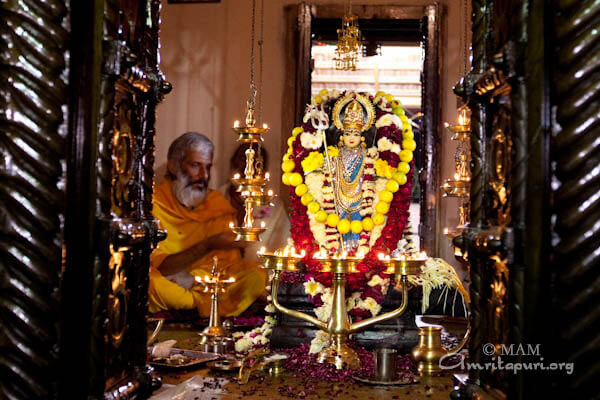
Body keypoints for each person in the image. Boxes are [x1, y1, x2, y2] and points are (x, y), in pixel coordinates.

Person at [148, 132, 267, 316]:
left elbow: (228, 266)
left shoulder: (215, 202)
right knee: (150, 282)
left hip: (200, 285)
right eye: (196, 165)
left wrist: (195, 279)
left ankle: (192, 307)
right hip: (171, 284)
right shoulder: (153, 204)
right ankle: (205, 308)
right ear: (173, 165)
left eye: (208, 167)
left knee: (257, 275)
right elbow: (160, 267)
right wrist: (207, 245)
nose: (203, 175)